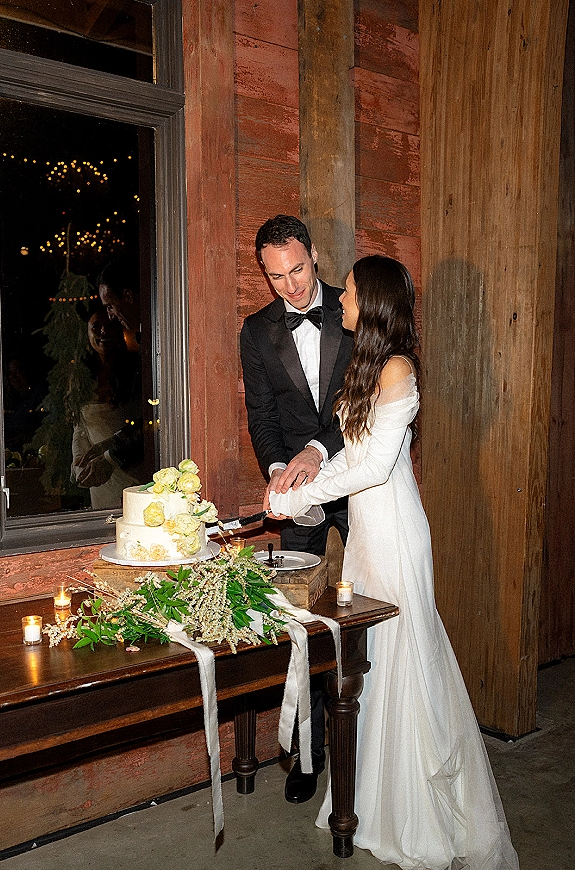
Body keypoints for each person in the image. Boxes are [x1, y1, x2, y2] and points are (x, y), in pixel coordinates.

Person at [269, 256, 519, 870]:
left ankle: (419, 815)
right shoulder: (366, 365)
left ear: (372, 303)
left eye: (349, 292)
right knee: (368, 668)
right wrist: (296, 483)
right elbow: (344, 458)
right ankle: (371, 805)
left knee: (406, 662)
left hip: (398, 535)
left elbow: (375, 466)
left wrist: (300, 496)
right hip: (366, 539)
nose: (341, 300)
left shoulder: (399, 369)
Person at [240, 214, 353, 804]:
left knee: (371, 614)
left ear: (313, 254)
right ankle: (307, 755)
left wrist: (315, 450)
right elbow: (262, 416)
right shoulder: (256, 332)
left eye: (299, 270)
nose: (291, 287)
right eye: (276, 277)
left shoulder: (353, 309)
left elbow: (364, 405)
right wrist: (278, 469)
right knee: (300, 624)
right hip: (299, 492)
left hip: (358, 480)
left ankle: (368, 744)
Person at [72, 307, 140, 507]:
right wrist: (79, 463)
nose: (102, 332)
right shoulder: (83, 378)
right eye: (96, 326)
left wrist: (108, 453)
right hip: (97, 474)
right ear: (87, 331)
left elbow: (144, 423)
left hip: (130, 467)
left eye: (109, 326)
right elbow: (79, 427)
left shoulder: (136, 373)